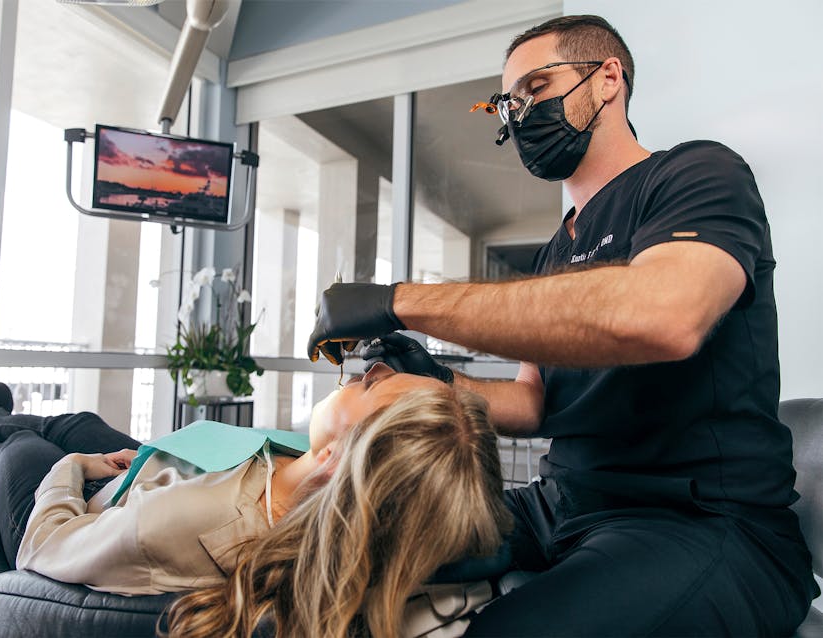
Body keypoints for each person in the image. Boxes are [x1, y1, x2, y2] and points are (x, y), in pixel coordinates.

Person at [307, 14, 819, 637]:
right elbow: (533, 401)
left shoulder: (695, 175)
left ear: (608, 80)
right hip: (561, 507)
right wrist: (437, 382)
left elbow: (662, 317)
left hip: (701, 522)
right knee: (335, 550)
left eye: (538, 89)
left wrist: (400, 301)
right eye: (508, 104)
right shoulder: (557, 250)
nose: (519, 115)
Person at [0, 368, 511, 635]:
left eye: (374, 386)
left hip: (90, 511)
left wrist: (73, 471)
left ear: (337, 459)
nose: (368, 370)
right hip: (157, 472)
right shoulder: (325, 491)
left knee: (25, 445)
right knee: (79, 423)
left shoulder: (187, 523)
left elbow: (43, 548)